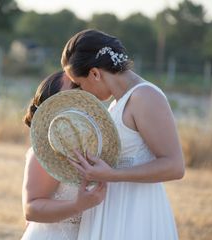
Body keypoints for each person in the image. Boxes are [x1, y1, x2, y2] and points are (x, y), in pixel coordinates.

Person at [61, 29, 185, 240]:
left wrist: (111, 175)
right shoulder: (116, 104)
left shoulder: (145, 97)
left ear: (94, 73)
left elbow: (175, 166)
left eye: (80, 84)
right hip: (112, 208)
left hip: (136, 211)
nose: (81, 91)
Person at [21, 71, 107, 240]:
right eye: (75, 87)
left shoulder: (97, 146)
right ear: (52, 106)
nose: (83, 93)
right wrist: (77, 205)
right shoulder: (46, 149)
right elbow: (31, 209)